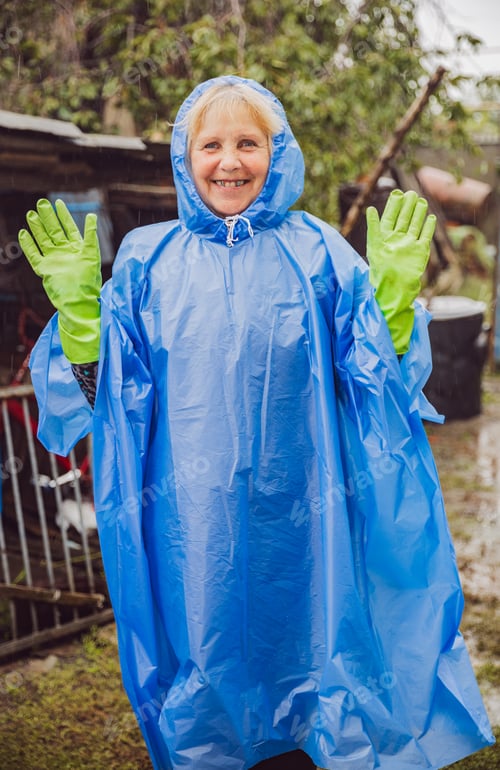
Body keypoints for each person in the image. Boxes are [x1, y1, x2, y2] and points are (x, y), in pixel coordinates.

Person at [19, 76, 493, 770]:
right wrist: (87, 328)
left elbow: (376, 392)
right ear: (186, 158)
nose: (230, 161)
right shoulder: (148, 262)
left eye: (250, 143)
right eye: (211, 144)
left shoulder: (321, 253)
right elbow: (108, 405)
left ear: (280, 154)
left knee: (314, 672)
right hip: (194, 533)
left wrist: (388, 306)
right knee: (210, 679)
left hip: (312, 528)